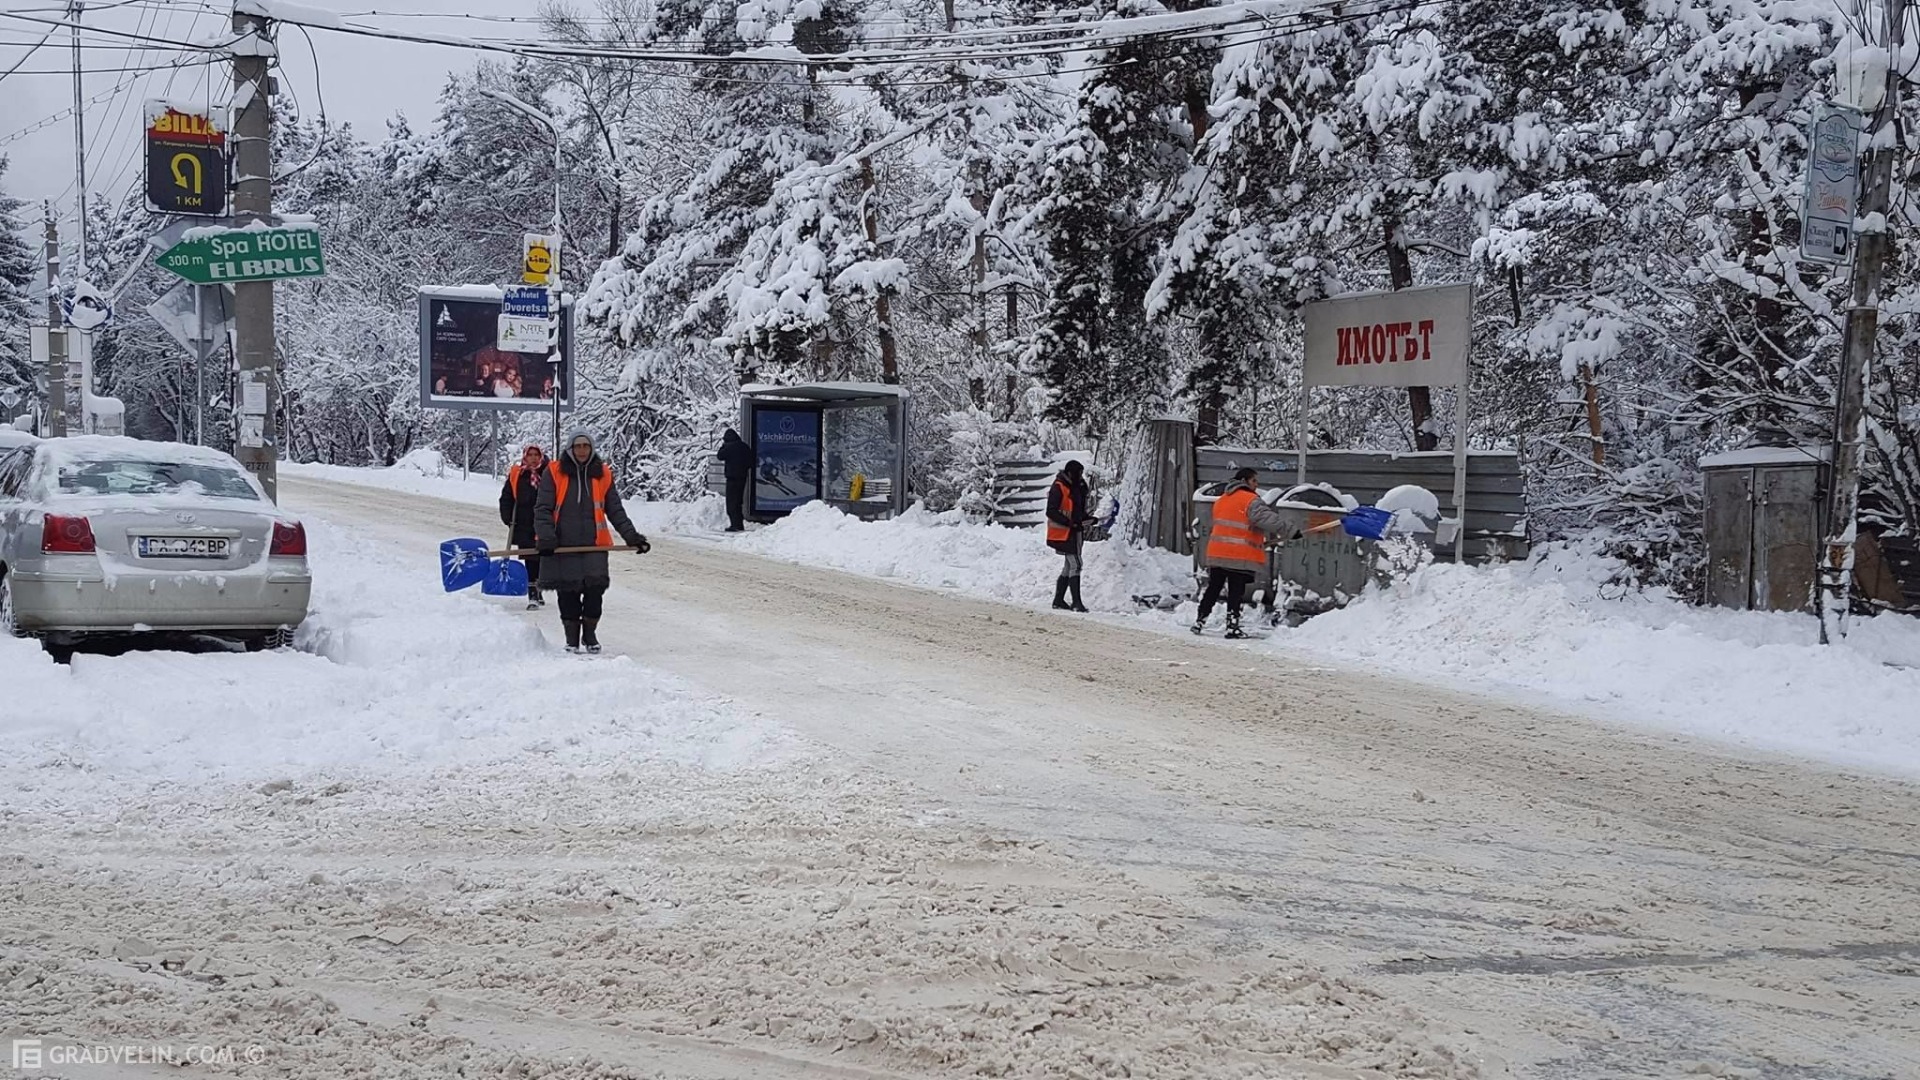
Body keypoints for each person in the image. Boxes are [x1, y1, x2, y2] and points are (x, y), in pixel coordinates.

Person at [535, 430, 651, 654]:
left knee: (594, 591)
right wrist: (547, 537)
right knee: (567, 592)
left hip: (594, 544)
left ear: (591, 449)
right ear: (570, 448)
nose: (581, 450)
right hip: (562, 545)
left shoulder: (602, 473)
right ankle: (571, 639)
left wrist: (631, 536)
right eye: (577, 446)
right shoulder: (555, 471)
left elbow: (615, 509)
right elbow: (543, 508)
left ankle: (589, 634)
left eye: (585, 446)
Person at [1193, 467, 1287, 638]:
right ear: (1244, 481)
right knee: (1236, 590)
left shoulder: (1222, 499)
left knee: (1213, 588)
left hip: (1218, 551)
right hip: (1238, 553)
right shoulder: (1251, 500)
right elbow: (1266, 519)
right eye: (1254, 481)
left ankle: (1200, 620)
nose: (1257, 485)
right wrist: (1289, 530)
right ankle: (1232, 625)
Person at [499, 443, 548, 610]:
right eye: (530, 455)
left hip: (545, 524)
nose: (533, 458)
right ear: (525, 457)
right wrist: (508, 518)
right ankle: (532, 594)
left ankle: (539, 586)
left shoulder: (549, 475)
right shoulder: (517, 475)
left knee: (543, 558)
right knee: (530, 558)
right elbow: (507, 498)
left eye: (536, 455)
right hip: (525, 524)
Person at [1045, 459, 1093, 612]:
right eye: (1078, 474)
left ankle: (1058, 600)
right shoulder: (1059, 487)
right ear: (1070, 473)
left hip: (1074, 531)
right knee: (1076, 564)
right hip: (1063, 533)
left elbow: (1077, 508)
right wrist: (1069, 522)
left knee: (1069, 565)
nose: (1080, 476)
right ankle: (1076, 602)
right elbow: (1050, 511)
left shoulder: (1077, 487)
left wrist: (1087, 519)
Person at [717, 428, 754, 532]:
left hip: (732, 478)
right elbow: (751, 461)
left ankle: (735, 524)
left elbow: (720, 456)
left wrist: (723, 447)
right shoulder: (744, 446)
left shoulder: (728, 447)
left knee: (731, 502)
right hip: (742, 477)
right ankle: (739, 524)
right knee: (738, 501)